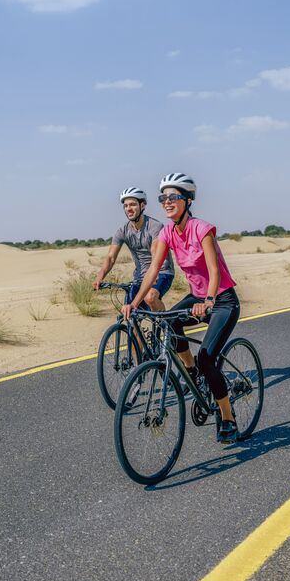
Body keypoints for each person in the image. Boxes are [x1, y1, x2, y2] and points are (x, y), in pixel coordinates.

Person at [121, 173, 242, 444]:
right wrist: (135, 302)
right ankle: (193, 374)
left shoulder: (202, 229)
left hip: (221, 300)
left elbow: (214, 270)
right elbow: (153, 269)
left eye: (173, 197)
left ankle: (227, 417)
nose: (166, 202)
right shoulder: (166, 232)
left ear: (187, 200)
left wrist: (208, 301)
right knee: (169, 322)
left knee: (207, 358)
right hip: (196, 298)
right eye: (163, 198)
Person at [93, 186, 175, 312]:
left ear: (142, 206)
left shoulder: (155, 226)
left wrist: (154, 274)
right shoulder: (123, 231)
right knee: (130, 314)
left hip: (162, 272)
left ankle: (165, 325)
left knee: (150, 298)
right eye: (126, 206)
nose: (129, 209)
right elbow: (110, 257)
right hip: (140, 277)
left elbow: (155, 251)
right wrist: (100, 276)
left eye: (132, 205)